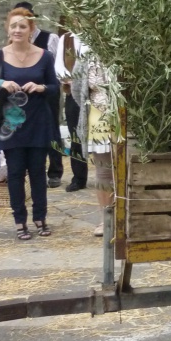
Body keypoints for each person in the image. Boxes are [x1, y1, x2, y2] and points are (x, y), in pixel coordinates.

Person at [0, 8, 59, 240]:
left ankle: (40, 218)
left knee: (38, 171)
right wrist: (1, 82)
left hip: (38, 121)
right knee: (15, 173)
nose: (17, 30)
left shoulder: (45, 56)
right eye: (14, 25)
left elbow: (55, 87)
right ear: (8, 28)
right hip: (11, 125)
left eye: (22, 26)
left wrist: (41, 87)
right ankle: (20, 221)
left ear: (31, 30)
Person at [14, 2, 63, 189]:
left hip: (46, 91)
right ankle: (33, 170)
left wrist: (45, 86)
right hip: (23, 95)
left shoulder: (49, 38)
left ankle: (55, 172)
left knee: (51, 130)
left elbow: (57, 68)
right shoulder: (15, 39)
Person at [71, 53, 114, 237]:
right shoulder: (87, 57)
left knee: (130, 169)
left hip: (128, 117)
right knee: (103, 172)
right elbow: (76, 88)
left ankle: (128, 217)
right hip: (98, 117)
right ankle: (107, 219)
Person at [55, 31, 89, 192]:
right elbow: (59, 66)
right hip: (74, 93)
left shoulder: (100, 35)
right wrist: (69, 79)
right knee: (75, 135)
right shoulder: (67, 38)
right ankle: (79, 177)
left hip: (97, 94)